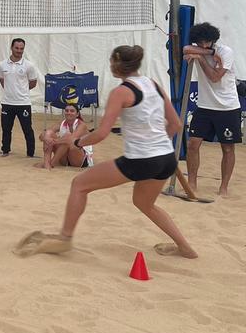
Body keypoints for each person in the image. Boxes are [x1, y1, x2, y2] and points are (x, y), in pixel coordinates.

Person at [14, 45, 197, 259]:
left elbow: (101, 133)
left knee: (79, 185)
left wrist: (78, 142)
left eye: (111, 61)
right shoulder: (153, 84)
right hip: (165, 157)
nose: (110, 65)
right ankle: (185, 248)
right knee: (144, 203)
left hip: (141, 159)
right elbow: (175, 124)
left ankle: (65, 238)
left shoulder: (121, 92)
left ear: (118, 63)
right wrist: (157, 145)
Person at [182, 22, 239, 197]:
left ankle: (223, 187)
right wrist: (207, 53)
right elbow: (185, 48)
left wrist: (200, 58)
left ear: (213, 40)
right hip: (204, 107)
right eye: (199, 42)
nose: (201, 45)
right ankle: (192, 183)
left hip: (227, 107)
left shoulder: (226, 52)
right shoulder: (200, 48)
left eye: (205, 42)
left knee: (227, 148)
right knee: (193, 144)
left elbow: (214, 77)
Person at [0, 38, 39, 157]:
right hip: (7, 102)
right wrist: (10, 90)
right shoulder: (2, 65)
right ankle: (5, 151)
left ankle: (30, 153)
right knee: (6, 129)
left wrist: (21, 91)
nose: (19, 51)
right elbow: (1, 79)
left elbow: (33, 82)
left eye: (21, 48)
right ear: (11, 48)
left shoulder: (29, 65)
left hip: (23, 103)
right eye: (17, 48)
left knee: (27, 130)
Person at [34, 103, 93, 169]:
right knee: (48, 133)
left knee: (68, 138)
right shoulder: (62, 123)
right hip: (65, 158)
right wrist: (47, 138)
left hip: (80, 159)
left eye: (72, 111)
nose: (69, 113)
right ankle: (46, 163)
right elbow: (42, 135)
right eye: (67, 110)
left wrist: (54, 141)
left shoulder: (81, 125)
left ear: (77, 114)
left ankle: (52, 163)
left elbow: (71, 139)